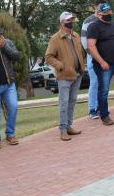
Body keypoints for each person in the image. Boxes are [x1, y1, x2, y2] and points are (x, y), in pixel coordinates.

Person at [45, 11, 84, 141]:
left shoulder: (76, 35)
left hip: (77, 74)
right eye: (68, 20)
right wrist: (61, 66)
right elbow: (48, 57)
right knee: (64, 103)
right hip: (64, 76)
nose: (71, 22)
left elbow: (79, 53)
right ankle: (63, 129)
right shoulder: (55, 38)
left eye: (72, 19)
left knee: (72, 101)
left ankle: (68, 126)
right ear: (62, 22)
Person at [81, 0, 107, 119]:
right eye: (100, 6)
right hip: (93, 57)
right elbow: (84, 41)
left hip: (104, 57)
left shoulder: (105, 19)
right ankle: (92, 109)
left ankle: (100, 107)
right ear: (95, 7)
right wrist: (93, 54)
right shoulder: (88, 21)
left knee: (103, 83)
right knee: (94, 83)